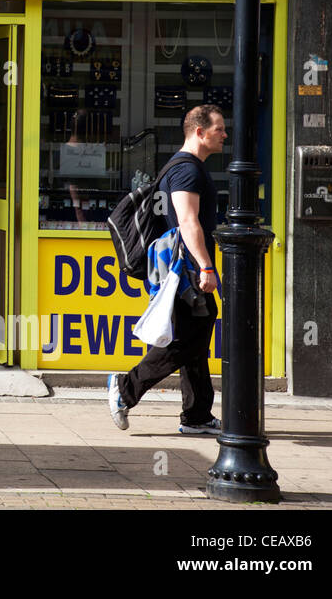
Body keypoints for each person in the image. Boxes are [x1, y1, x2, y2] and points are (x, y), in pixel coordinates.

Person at [108, 104, 226, 434]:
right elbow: (188, 223)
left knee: (196, 337)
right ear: (200, 132)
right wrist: (206, 266)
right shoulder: (187, 170)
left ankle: (197, 415)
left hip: (185, 268)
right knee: (184, 342)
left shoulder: (186, 166)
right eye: (219, 129)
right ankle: (124, 388)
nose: (225, 134)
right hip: (186, 269)